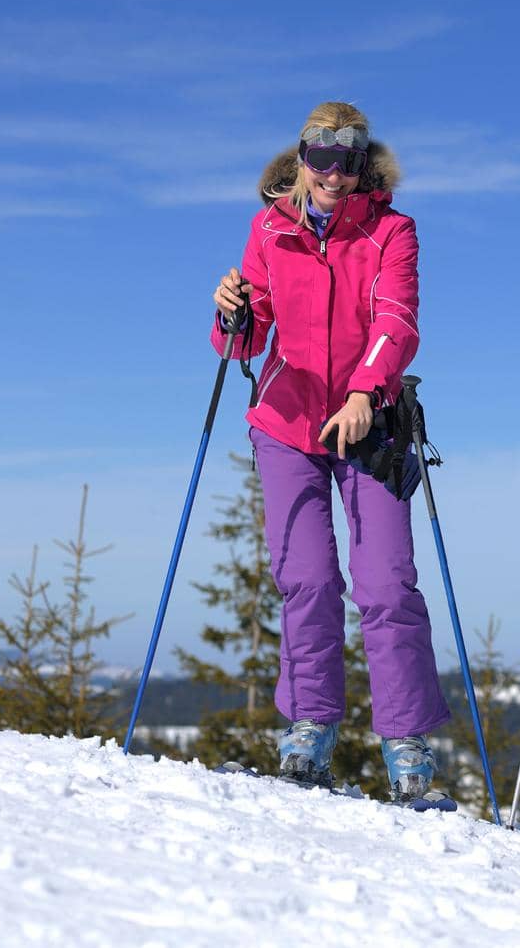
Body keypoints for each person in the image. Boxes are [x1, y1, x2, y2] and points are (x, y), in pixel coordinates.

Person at [210, 101, 451, 800]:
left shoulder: (390, 230)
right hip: (286, 423)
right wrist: (232, 311)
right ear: (302, 159)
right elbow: (246, 343)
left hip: (368, 422)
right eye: (320, 159)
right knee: (308, 578)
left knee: (384, 581)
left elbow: (397, 318)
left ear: (361, 164)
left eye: (346, 163)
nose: (332, 176)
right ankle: (309, 727)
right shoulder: (269, 228)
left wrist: (365, 392)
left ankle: (405, 744)